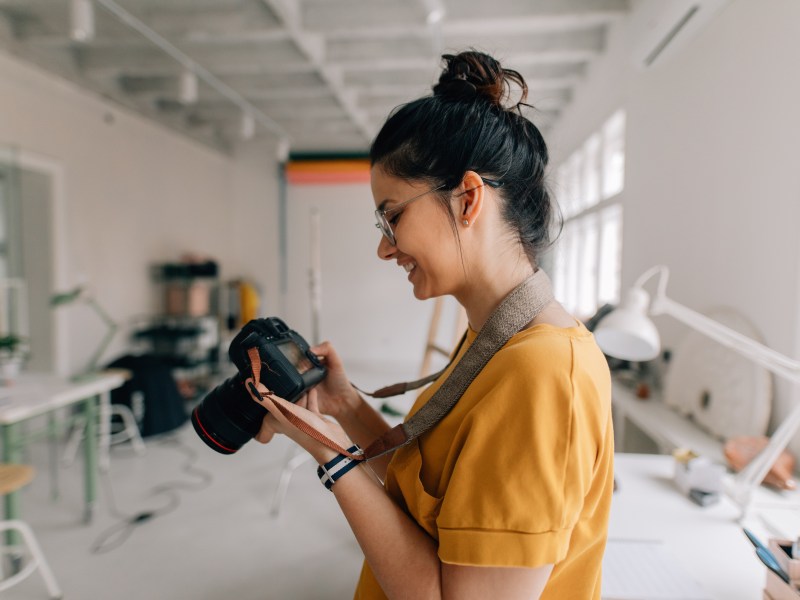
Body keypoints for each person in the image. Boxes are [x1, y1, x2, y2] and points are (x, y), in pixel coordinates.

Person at [252, 50, 614, 600]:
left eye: (393, 216)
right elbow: (433, 493)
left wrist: (331, 459)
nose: (384, 247)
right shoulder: (499, 339)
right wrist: (346, 406)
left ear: (467, 198)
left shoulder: (542, 374)